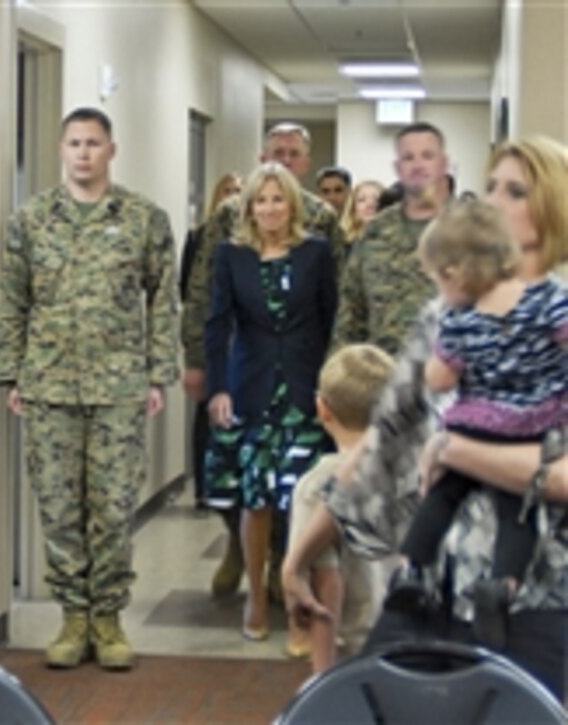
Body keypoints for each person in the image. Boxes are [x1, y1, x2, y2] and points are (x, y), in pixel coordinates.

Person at [283, 137, 568, 702]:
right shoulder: (450, 313)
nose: (495, 203)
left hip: (534, 597)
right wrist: (299, 557)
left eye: (516, 191)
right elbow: (381, 444)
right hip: (434, 587)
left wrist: (456, 450)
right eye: (490, 188)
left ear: (553, 208)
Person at [0, 107, 178, 671]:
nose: (83, 153)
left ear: (110, 151)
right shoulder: (31, 219)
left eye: (93, 143)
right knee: (58, 506)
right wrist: (11, 373)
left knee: (113, 506)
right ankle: (73, 616)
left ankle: (109, 617)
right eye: (73, 143)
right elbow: (13, 301)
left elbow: (163, 301)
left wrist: (156, 373)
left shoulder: (144, 219)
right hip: (48, 383)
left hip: (119, 384)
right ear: (60, 148)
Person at [385, 200, 568, 650]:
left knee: (441, 495)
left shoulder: (459, 318)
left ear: (453, 272)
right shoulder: (549, 299)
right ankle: (503, 586)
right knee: (518, 513)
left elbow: (440, 377)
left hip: (471, 428)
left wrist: (437, 366)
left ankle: (411, 568)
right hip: (530, 429)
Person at [183, 122, 345, 600]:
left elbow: (335, 305)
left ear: (305, 162)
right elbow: (203, 295)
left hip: (300, 372)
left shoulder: (321, 222)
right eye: (277, 151)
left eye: (293, 153)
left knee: (298, 476)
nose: (284, 159)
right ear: (261, 156)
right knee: (241, 472)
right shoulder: (229, 221)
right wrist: (201, 364)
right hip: (245, 369)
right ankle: (240, 549)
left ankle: (283, 565)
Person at [284, 344, 393, 672]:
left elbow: (325, 587)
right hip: (413, 645)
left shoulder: (317, 487)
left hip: (355, 656)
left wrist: (321, 678)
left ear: (322, 408)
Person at [332, 122, 449, 357]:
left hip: (454, 382)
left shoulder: (474, 230)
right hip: (385, 378)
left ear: (443, 163)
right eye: (408, 157)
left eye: (427, 156)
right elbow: (351, 314)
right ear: (397, 167)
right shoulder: (375, 232)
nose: (418, 165)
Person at [180, 171, 242, 510]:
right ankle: (207, 489)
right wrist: (195, 354)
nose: (233, 198)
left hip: (247, 349)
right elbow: (192, 290)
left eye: (239, 192)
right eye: (228, 191)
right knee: (208, 416)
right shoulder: (201, 238)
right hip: (215, 344)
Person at [339, 180, 385, 248]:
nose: (370, 204)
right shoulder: (341, 246)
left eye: (377, 200)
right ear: (352, 209)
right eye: (362, 200)